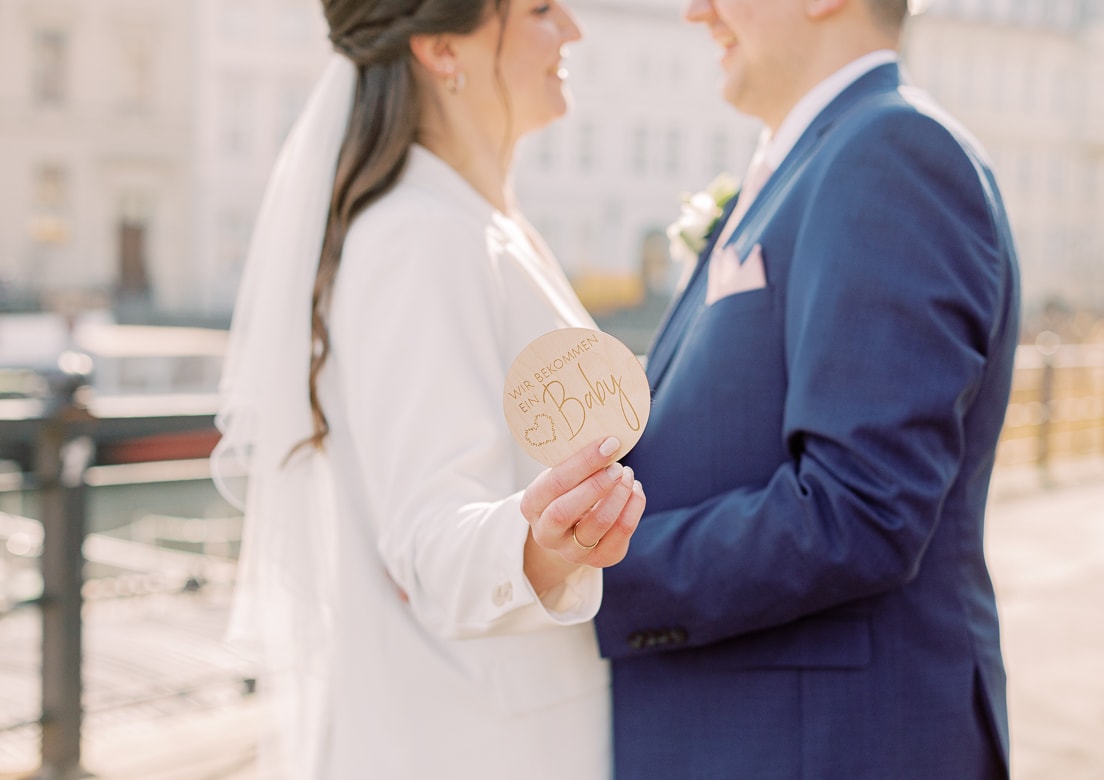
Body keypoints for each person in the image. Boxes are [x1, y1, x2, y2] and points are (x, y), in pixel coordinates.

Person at [212, 1, 645, 777]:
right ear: (445, 48)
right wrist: (541, 543)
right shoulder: (418, 237)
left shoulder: (479, 221)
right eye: (542, 9)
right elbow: (428, 541)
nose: (572, 30)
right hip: (478, 740)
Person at [593, 0, 1020, 777]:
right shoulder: (813, 162)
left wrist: (594, 570)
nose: (695, 13)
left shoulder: (890, 153)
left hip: (831, 746)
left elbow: (862, 507)